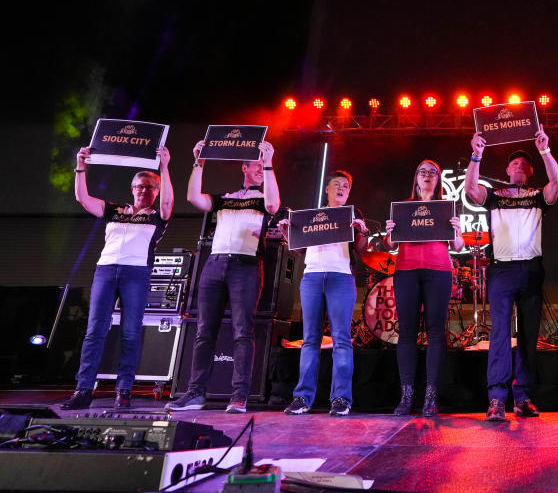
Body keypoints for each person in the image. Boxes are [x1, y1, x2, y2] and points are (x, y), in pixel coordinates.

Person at [166, 140, 280, 413]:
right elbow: (194, 198)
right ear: (243, 167)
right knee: (204, 331)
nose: (258, 170)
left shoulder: (263, 197)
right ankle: (195, 393)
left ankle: (239, 395)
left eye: (261, 167)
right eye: (254, 165)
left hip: (247, 265)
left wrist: (269, 163)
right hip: (215, 263)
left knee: (243, 331)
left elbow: (274, 205)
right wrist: (199, 162)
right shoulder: (224, 198)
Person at [63, 146, 173, 409]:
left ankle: (123, 391)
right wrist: (81, 166)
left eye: (150, 187)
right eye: (140, 186)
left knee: (131, 332)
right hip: (106, 269)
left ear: (156, 191)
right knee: (94, 331)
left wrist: (165, 167)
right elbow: (83, 198)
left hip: (136, 273)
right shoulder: (114, 209)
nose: (144, 190)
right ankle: (83, 390)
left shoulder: (158, 216)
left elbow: (169, 202)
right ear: (132, 188)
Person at [464, 130, 558, 421]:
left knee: (529, 335)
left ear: (530, 171)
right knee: (499, 333)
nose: (519, 166)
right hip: (502, 269)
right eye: (514, 164)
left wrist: (545, 151)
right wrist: (476, 154)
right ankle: (496, 398)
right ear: (507, 170)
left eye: (524, 164)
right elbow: (471, 189)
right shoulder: (495, 196)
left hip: (531, 270)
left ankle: (523, 397)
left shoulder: (537, 196)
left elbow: (557, 183)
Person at [280, 171, 369, 416]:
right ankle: (302, 398)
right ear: (327, 189)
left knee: (341, 339)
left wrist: (362, 231)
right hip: (312, 277)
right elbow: (298, 250)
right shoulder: (311, 217)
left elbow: (361, 250)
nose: (341, 189)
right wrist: (288, 232)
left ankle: (341, 398)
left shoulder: (352, 214)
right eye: (337, 185)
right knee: (310, 339)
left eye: (346, 186)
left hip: (340, 277)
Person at [384, 159, 464, 417]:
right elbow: (390, 246)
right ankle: (406, 397)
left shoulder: (446, 209)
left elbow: (458, 247)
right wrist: (389, 233)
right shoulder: (403, 208)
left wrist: (458, 231)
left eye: (433, 172)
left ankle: (431, 397)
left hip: (439, 270)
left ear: (438, 179)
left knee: (436, 333)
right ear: (416, 178)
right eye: (423, 172)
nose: (428, 175)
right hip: (406, 270)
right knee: (406, 332)